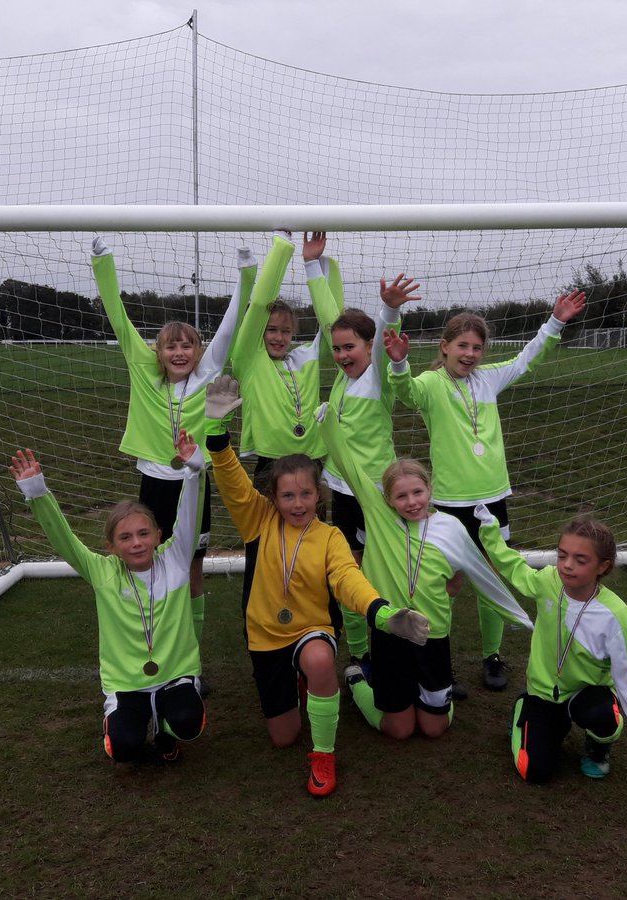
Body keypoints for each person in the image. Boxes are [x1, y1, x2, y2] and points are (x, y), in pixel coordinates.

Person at [203, 374, 430, 797]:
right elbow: (232, 481)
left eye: (305, 494)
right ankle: (299, 682)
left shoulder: (329, 536)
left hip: (311, 629)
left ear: (318, 496)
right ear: (274, 498)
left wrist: (382, 613)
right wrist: (216, 430)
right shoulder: (257, 521)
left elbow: (348, 581)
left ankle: (323, 754)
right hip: (266, 635)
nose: (297, 503)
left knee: (322, 659)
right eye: (287, 496)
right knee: (283, 736)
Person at [385, 290, 586, 692]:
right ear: (444, 347)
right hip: (447, 504)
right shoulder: (430, 383)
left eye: (477, 347)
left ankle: (492, 656)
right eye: (462, 345)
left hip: (491, 500)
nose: (471, 354)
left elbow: (528, 359)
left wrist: (556, 322)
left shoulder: (489, 379)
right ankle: (437, 658)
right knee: (449, 582)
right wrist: (399, 362)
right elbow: (406, 393)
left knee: (492, 578)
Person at [90, 236, 257, 685]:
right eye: (170, 346)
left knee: (191, 571)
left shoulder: (206, 375)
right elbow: (119, 318)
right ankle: (147, 646)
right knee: (146, 568)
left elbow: (229, 325)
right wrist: (102, 262)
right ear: (158, 352)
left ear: (197, 351)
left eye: (187, 345)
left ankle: (190, 663)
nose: (180, 352)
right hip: (154, 484)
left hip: (193, 485)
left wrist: (246, 273)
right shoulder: (144, 372)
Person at [316, 402, 532, 740]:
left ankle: (431, 695)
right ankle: (359, 682)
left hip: (434, 636)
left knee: (434, 728)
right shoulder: (379, 517)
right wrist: (328, 422)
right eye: (401, 496)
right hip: (392, 634)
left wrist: (513, 610)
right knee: (399, 730)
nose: (411, 501)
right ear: (387, 500)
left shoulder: (449, 527)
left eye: (418, 492)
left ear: (429, 490)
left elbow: (473, 572)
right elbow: (351, 467)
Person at [8, 431, 208, 765]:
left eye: (144, 533)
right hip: (126, 682)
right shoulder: (103, 573)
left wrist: (193, 473)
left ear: (159, 535)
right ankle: (130, 720)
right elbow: (66, 542)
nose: (137, 543)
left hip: (176, 674)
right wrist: (37, 493)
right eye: (125, 537)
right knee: (124, 747)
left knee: (189, 724)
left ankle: (167, 731)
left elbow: (188, 517)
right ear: (111, 547)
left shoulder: (175, 559)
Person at [473, 506, 627, 782]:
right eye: (563, 555)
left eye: (580, 560)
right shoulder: (548, 581)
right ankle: (526, 706)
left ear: (603, 566)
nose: (567, 565)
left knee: (602, 713)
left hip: (586, 694)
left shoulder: (616, 616)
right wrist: (489, 530)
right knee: (534, 772)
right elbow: (513, 566)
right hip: (544, 692)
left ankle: (598, 749)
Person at [308, 232, 419, 675]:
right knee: (348, 572)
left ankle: (396, 643)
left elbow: (381, 336)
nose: (340, 355)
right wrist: (311, 266)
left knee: (381, 571)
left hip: (377, 493)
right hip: (342, 491)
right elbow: (327, 317)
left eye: (349, 347)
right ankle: (359, 654)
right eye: (336, 348)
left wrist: (390, 307)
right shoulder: (341, 379)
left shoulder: (376, 376)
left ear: (368, 348)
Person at [228, 231, 342, 615]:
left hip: (311, 466)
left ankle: (318, 619)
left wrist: (316, 265)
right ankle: (258, 623)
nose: (279, 337)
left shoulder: (307, 358)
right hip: (270, 468)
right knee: (263, 551)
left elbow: (335, 326)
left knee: (314, 549)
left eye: (286, 330)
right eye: (272, 329)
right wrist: (283, 248)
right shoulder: (248, 359)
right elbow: (259, 303)